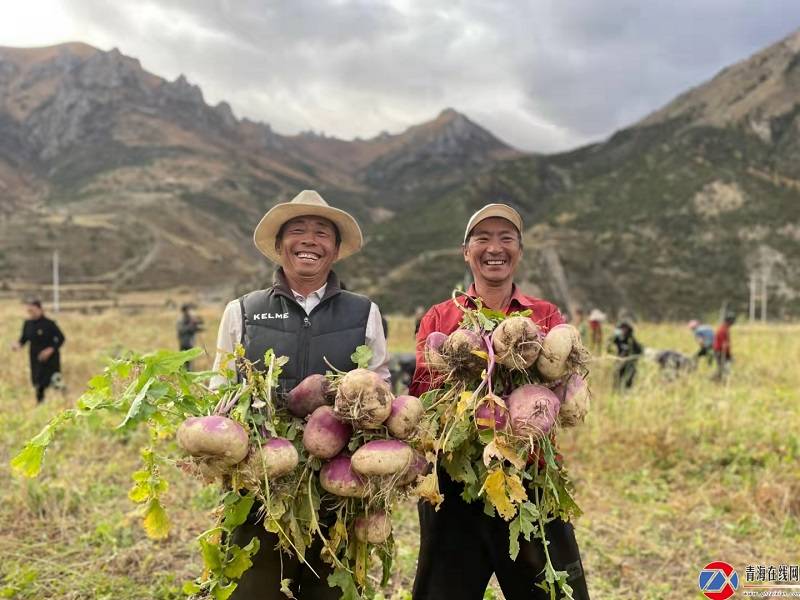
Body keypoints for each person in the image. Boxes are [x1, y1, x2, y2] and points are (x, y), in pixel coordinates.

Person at [210, 190, 390, 600]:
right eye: (298, 230)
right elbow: (220, 391)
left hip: (337, 490)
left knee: (330, 592)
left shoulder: (364, 312)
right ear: (278, 246)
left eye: (321, 233)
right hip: (261, 488)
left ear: (337, 248)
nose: (310, 240)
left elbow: (381, 391)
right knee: (253, 590)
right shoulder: (243, 310)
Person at [410, 204, 590, 600]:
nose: (495, 248)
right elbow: (422, 398)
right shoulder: (440, 317)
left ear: (519, 252)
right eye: (483, 238)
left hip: (532, 478)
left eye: (506, 238)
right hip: (455, 483)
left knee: (555, 592)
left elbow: (563, 388)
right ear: (466, 251)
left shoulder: (543, 315)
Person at [11, 299, 66, 403]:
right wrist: (17, 345)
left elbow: (61, 338)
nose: (31, 313)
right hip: (35, 357)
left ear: (40, 309)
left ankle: (64, 400)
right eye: (29, 311)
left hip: (50, 359)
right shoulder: (27, 324)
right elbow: (24, 339)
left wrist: (50, 349)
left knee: (54, 381)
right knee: (38, 382)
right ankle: (40, 403)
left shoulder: (49, 324)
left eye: (33, 310)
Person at [607, 321, 642, 391]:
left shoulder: (631, 339)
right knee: (617, 379)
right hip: (620, 363)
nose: (623, 330)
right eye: (622, 328)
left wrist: (632, 357)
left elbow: (639, 351)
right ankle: (616, 392)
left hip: (629, 365)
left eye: (625, 329)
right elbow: (609, 348)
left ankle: (626, 394)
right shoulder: (618, 338)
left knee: (628, 382)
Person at [176, 303, 204, 370]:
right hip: (184, 342)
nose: (188, 311)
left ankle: (189, 371)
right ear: (184, 311)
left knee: (189, 359)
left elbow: (197, 325)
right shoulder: (181, 319)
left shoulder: (190, 317)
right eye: (187, 310)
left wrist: (197, 325)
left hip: (190, 342)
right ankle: (183, 372)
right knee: (183, 359)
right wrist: (191, 325)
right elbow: (182, 330)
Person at [712, 313, 736, 381]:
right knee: (722, 368)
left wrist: (729, 355)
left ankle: (718, 380)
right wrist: (727, 355)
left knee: (722, 368)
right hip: (720, 351)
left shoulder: (725, 328)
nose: (733, 323)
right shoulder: (723, 330)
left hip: (721, 351)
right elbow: (724, 344)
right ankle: (715, 379)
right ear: (729, 321)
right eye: (732, 321)